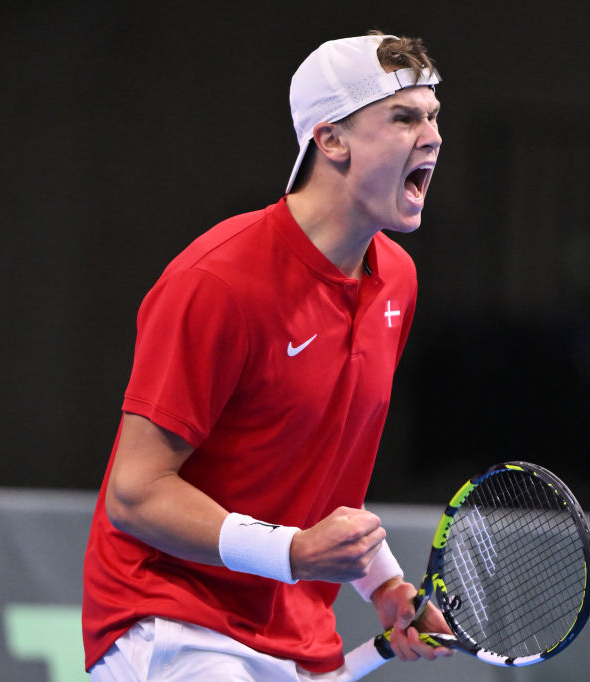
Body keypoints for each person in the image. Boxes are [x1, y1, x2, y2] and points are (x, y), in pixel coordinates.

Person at [81, 31, 452, 681]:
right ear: (330, 139)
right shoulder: (218, 281)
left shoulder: (397, 280)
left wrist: (386, 587)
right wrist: (294, 552)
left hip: (296, 637)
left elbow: (318, 472)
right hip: (171, 623)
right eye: (404, 118)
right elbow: (135, 496)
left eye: (433, 116)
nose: (433, 137)